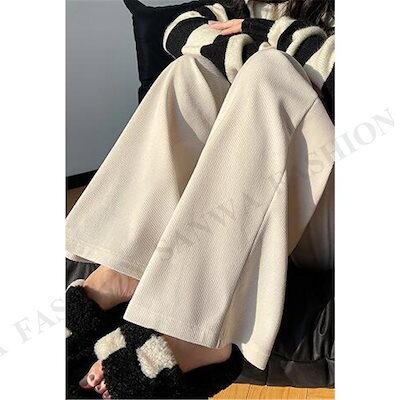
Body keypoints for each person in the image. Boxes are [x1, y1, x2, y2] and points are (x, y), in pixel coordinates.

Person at [66, 0, 335, 398]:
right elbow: (179, 30)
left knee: (270, 73)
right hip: (271, 201)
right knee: (190, 73)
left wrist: (262, 36)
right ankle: (123, 271)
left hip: (332, 206)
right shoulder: (254, 3)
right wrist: (285, 46)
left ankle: (196, 331)